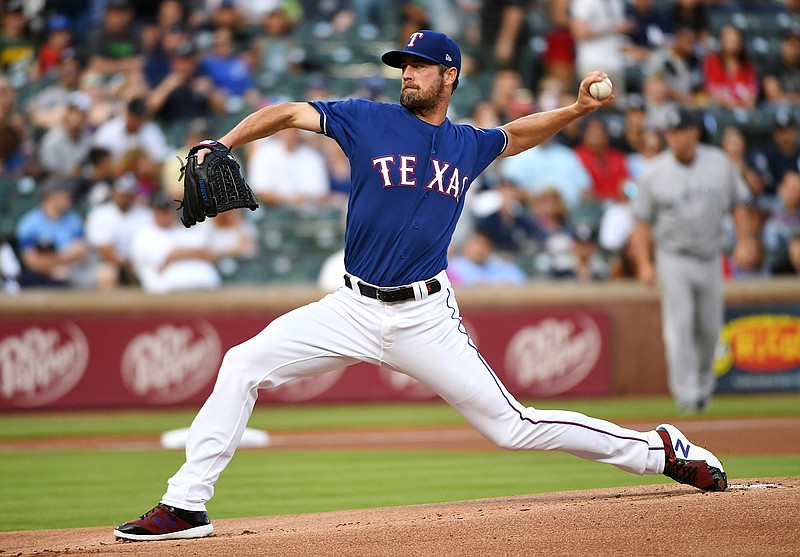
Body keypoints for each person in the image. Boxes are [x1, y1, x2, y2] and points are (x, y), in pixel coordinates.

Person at [114, 30, 729, 542]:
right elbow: (289, 112)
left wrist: (575, 111)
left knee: (511, 426)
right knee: (242, 363)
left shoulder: (466, 144)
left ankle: (659, 450)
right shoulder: (366, 121)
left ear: (450, 76)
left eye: (420, 66)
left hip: (425, 318)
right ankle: (185, 504)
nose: (407, 74)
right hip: (350, 306)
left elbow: (518, 134)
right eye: (403, 65)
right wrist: (225, 141)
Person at [629, 107, 758, 414]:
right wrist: (645, 264)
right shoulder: (654, 171)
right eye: (670, 133)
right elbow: (642, 222)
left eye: (680, 131)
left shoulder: (718, 162)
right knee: (680, 325)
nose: (674, 138)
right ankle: (687, 395)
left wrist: (745, 240)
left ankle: (702, 388)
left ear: (694, 132)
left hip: (711, 255)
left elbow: (739, 204)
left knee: (710, 328)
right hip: (673, 257)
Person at [129, 190, 221, 294]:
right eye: (161, 210)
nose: (165, 214)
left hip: (204, 287)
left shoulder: (186, 230)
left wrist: (178, 253)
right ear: (154, 211)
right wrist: (193, 253)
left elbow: (211, 256)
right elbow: (161, 263)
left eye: (168, 209)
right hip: (168, 293)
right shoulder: (144, 235)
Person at [84, 172, 153, 290]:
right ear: (114, 193)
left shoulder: (145, 214)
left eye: (129, 194)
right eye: (122, 194)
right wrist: (125, 266)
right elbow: (103, 248)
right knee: (106, 275)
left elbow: (152, 243)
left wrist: (136, 264)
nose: (125, 198)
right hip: (110, 263)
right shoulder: (99, 214)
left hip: (140, 261)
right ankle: (107, 309)